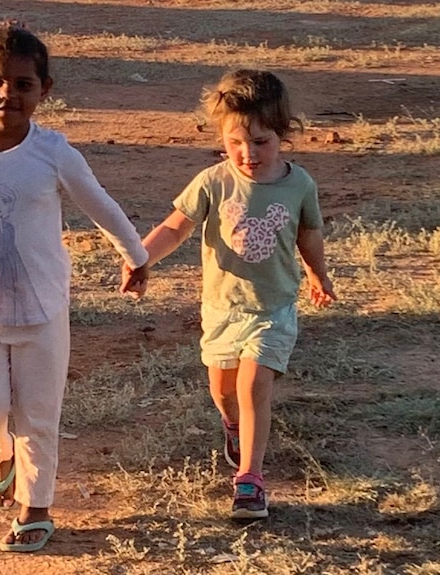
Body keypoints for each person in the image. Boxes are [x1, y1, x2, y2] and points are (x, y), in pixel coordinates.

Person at [0, 20, 148, 552]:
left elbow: (100, 204)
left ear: (44, 90)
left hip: (45, 309)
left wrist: (135, 255)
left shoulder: (55, 153)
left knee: (39, 414)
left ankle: (36, 508)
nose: (9, 94)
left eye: (23, 84)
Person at [121, 69, 336, 520]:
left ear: (282, 134)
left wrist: (318, 274)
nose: (248, 154)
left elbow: (308, 234)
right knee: (223, 391)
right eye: (236, 142)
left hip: (273, 306)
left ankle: (250, 480)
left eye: (261, 142)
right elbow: (175, 227)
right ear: (222, 137)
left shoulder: (299, 185)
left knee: (253, 382)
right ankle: (234, 427)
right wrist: (141, 257)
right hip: (222, 309)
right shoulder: (213, 181)